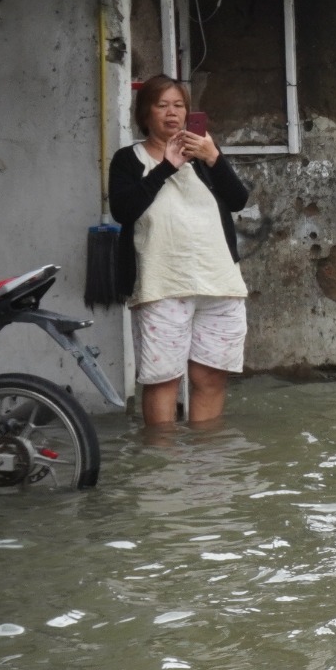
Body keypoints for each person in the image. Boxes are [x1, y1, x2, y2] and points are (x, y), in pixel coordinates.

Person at [107, 76, 251, 426]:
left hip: (218, 281)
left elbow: (238, 200)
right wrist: (167, 167)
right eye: (162, 105)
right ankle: (162, 466)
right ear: (145, 113)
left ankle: (206, 464)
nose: (172, 113)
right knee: (163, 379)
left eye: (179, 106)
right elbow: (124, 211)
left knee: (211, 377)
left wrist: (214, 157)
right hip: (162, 282)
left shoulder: (203, 157)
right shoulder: (130, 158)